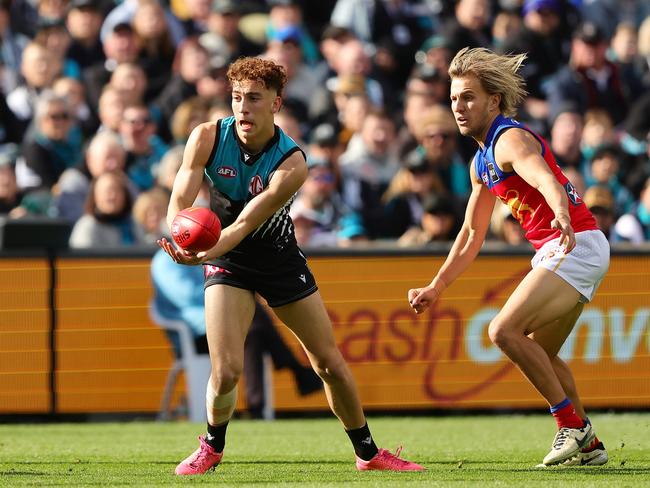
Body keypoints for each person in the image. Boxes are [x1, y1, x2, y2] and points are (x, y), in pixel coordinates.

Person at [157, 57, 423, 475]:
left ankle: (369, 453)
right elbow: (180, 201)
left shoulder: (292, 162)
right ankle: (212, 445)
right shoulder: (206, 137)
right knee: (226, 371)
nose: (243, 107)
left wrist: (201, 252)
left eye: (254, 99)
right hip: (228, 259)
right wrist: (182, 234)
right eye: (237, 97)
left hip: (277, 259)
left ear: (276, 103)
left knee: (327, 363)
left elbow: (246, 223)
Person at [407, 47, 610, 467]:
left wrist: (559, 212)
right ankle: (588, 447)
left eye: (468, 97)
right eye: (453, 99)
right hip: (571, 246)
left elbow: (545, 177)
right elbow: (470, 234)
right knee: (543, 355)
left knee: (502, 331)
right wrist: (437, 285)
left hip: (572, 242)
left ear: (493, 101)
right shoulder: (481, 161)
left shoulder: (509, 138)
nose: (458, 107)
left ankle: (570, 426)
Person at [150, 247, 323, 419]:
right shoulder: (165, 259)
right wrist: (224, 289)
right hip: (195, 334)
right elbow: (186, 295)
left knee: (254, 327)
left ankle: (270, 395)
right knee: (254, 322)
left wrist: (228, 289)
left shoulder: (206, 252)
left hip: (219, 321)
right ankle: (292, 370)